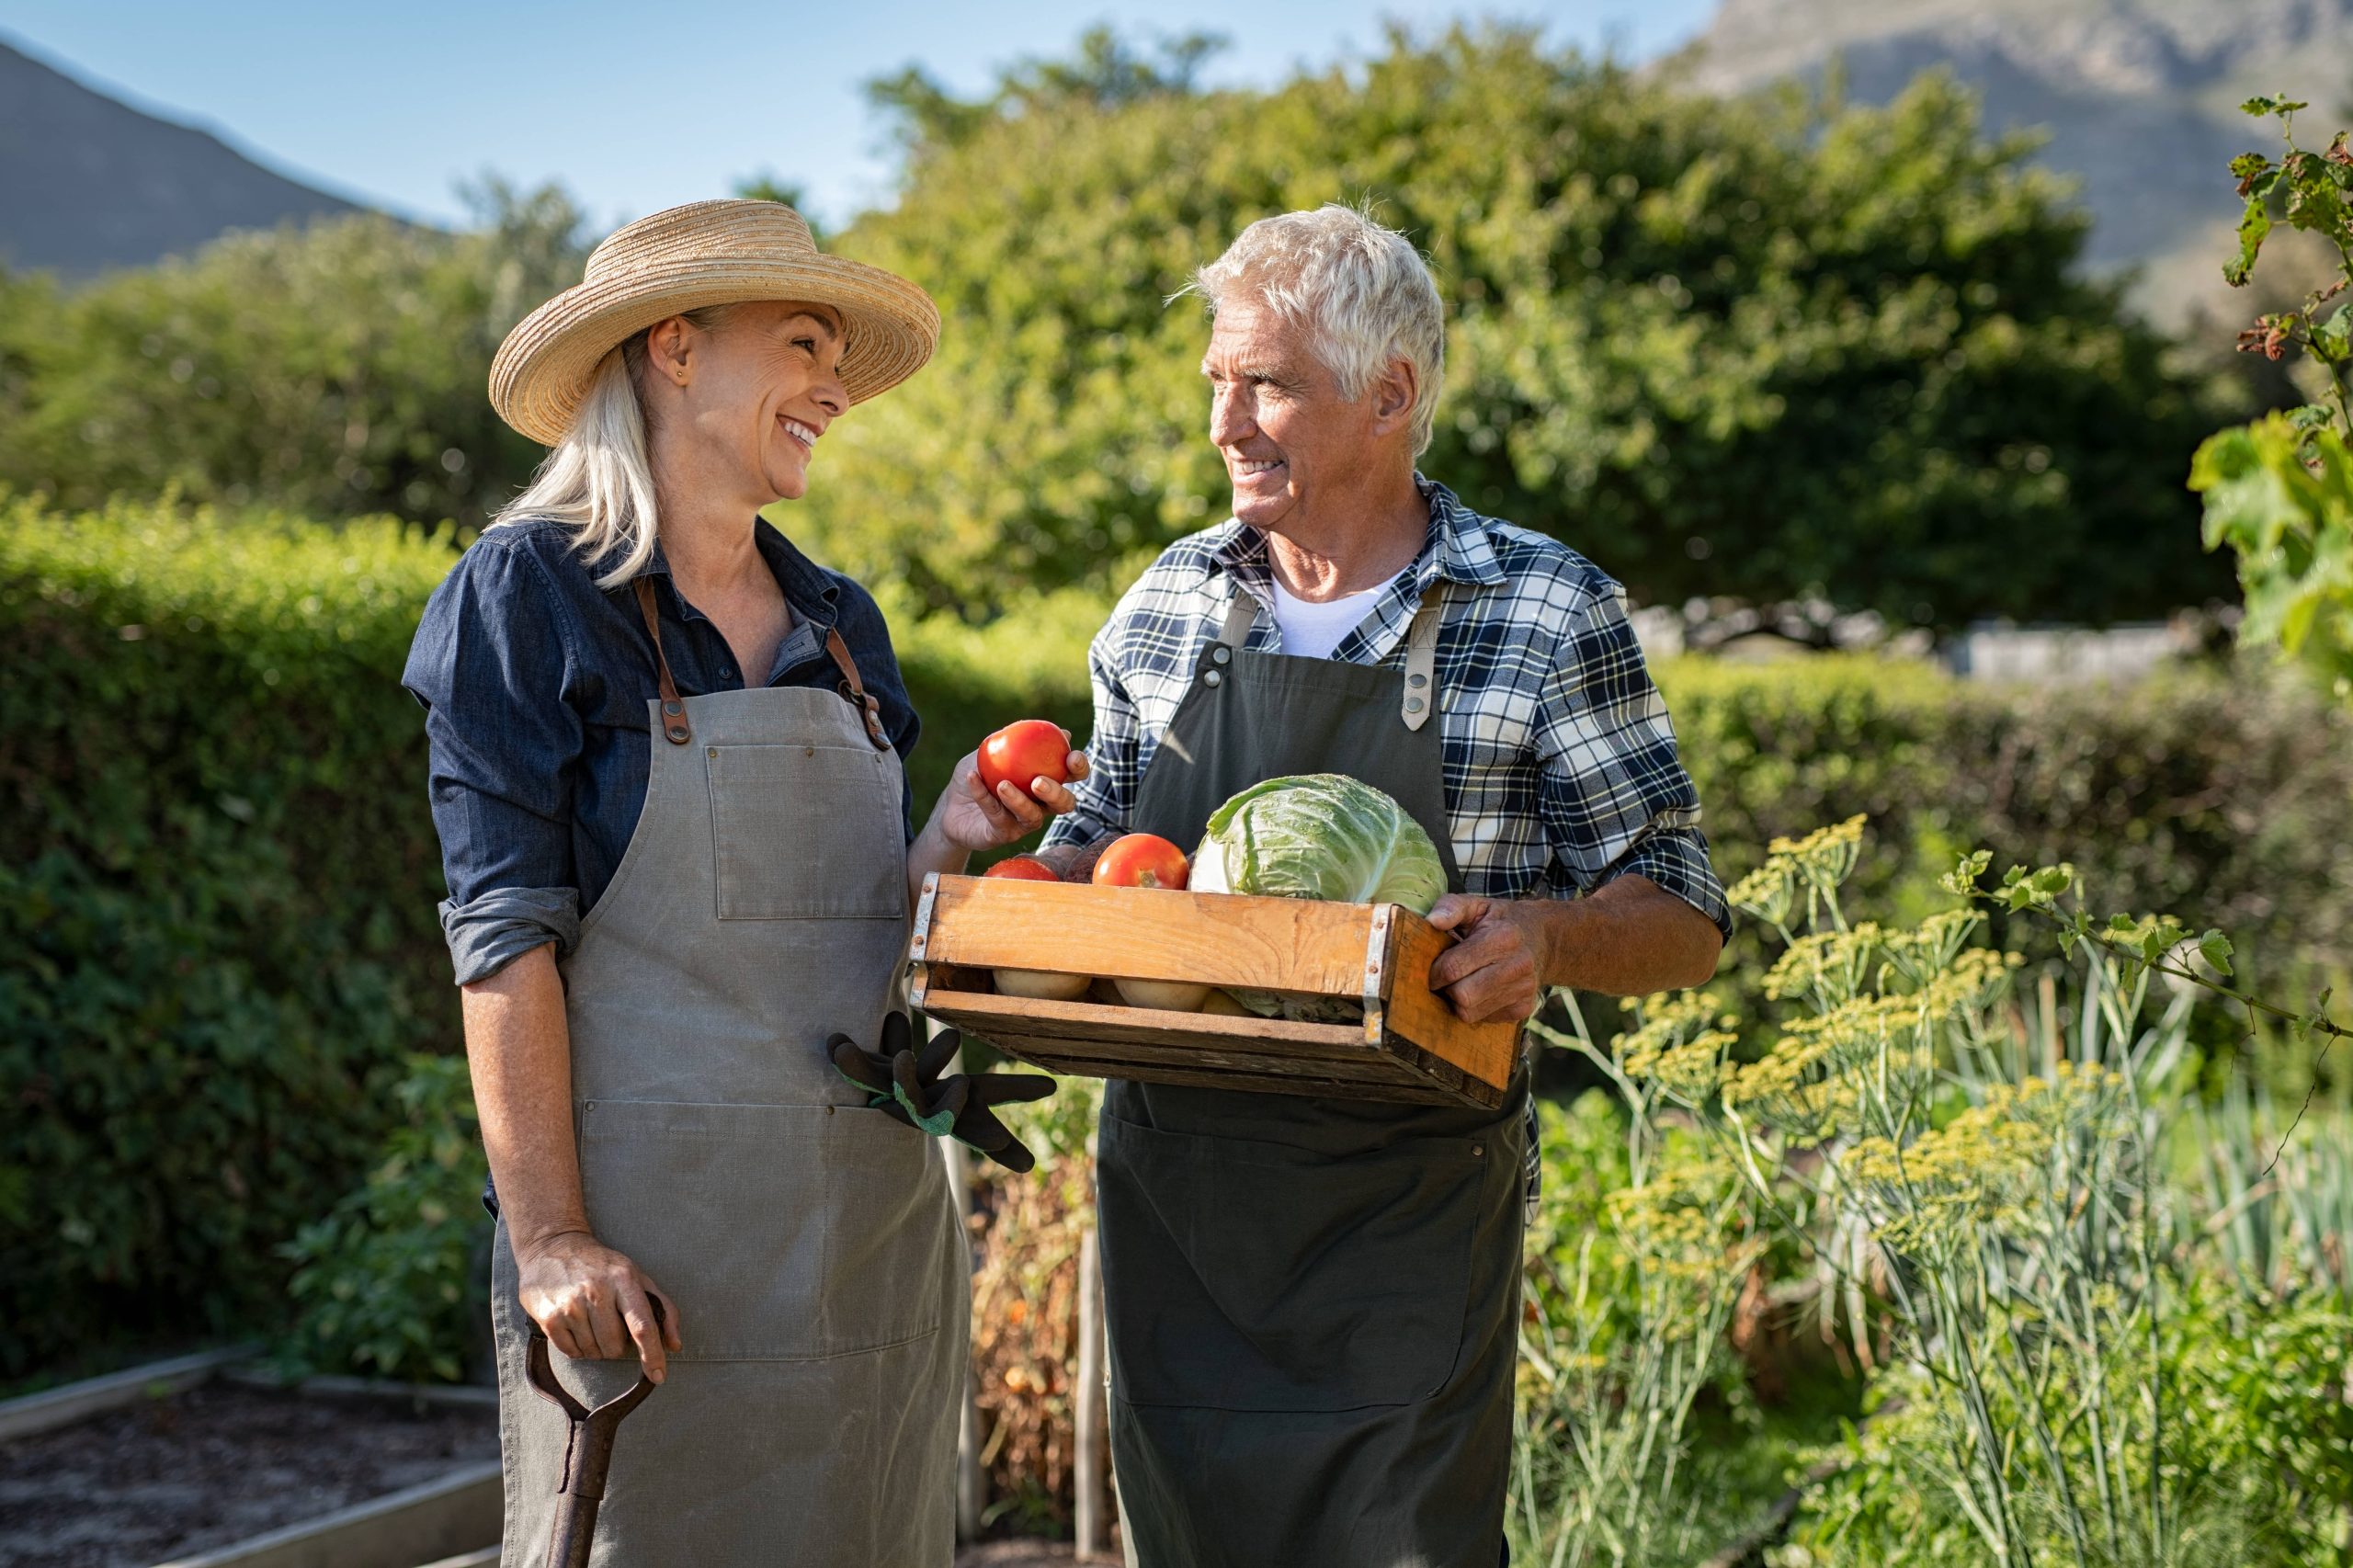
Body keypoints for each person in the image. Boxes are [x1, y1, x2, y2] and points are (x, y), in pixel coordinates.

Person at [1038, 204, 1731, 1567]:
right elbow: (1101, 866)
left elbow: (1685, 911)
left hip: (1408, 1233)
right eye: (1217, 385)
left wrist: (1549, 934)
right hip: (1180, 1226)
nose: (1226, 424)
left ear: (1390, 395)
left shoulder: (1544, 610)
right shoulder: (1167, 603)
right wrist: (1012, 850)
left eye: (1268, 384)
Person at [402, 199, 1078, 1566]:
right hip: (657, 1289)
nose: (836, 387)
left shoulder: (843, 625)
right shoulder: (529, 596)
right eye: (805, 341)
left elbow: (844, 942)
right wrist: (549, 1241)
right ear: (676, 347)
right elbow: (501, 944)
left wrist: (946, 839)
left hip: (869, 1255)